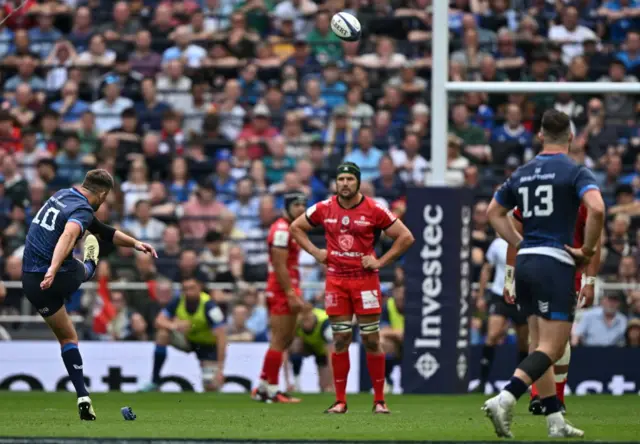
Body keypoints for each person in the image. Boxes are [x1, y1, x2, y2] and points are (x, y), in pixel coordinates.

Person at [484, 109, 605, 438]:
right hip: (556, 262)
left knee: (539, 344)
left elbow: (492, 213)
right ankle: (506, 396)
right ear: (570, 137)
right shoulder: (574, 171)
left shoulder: (522, 172)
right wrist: (588, 251)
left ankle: (555, 420)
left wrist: (519, 243)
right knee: (553, 347)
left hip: (526, 262)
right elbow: (597, 209)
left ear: (539, 136)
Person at [21, 169, 157, 420]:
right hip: (57, 274)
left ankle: (83, 396)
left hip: (30, 281)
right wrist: (52, 268)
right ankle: (90, 265)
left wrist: (135, 243)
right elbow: (70, 234)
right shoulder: (83, 209)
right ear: (103, 194)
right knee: (82, 263)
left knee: (67, 337)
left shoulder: (62, 195)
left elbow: (104, 230)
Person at [290, 162, 415, 414]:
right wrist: (316, 252)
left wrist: (380, 261)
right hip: (336, 280)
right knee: (340, 338)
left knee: (370, 339)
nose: (345, 183)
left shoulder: (374, 209)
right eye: (341, 179)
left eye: (349, 179)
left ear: (358, 182)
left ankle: (379, 400)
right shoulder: (325, 207)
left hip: (365, 280)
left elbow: (406, 237)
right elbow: (296, 227)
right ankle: (340, 401)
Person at [509, 201, 601, 415]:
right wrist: (508, 276)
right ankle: (538, 397)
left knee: (556, 340)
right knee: (543, 338)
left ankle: (550, 398)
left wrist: (590, 280)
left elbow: (595, 239)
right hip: (537, 270)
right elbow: (512, 230)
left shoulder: (581, 198)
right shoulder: (530, 195)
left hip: (565, 271)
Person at [252, 190, 308, 403]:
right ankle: (273, 391)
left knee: (285, 338)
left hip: (287, 288)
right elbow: (279, 265)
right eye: (296, 205)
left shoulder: (292, 228)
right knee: (279, 339)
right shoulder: (282, 230)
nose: (301, 209)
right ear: (287, 207)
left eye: (303, 205)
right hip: (282, 290)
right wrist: (291, 293)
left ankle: (263, 386)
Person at [142, 276, 227, 392]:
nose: (188, 292)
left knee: (210, 384)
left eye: (191, 288)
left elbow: (221, 336)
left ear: (199, 288)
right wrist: (174, 326)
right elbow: (159, 321)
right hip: (187, 340)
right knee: (162, 334)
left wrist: (220, 369)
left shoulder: (209, 306)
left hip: (207, 346)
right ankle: (155, 380)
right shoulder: (178, 300)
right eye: (185, 289)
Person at [474, 233, 529, 394]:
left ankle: (520, 383)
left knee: (523, 342)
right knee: (492, 335)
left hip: (521, 297)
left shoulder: (527, 242)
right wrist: (481, 294)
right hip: (500, 295)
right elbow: (486, 268)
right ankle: (482, 382)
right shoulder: (497, 244)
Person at [288, 305, 333, 393]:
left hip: (323, 349)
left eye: (308, 320)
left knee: (324, 386)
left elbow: (332, 355)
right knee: (294, 347)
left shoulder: (325, 324)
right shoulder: (296, 322)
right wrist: (287, 382)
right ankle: (296, 384)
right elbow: (284, 350)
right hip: (306, 345)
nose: (306, 324)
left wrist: (332, 384)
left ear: (312, 316)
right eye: (303, 320)